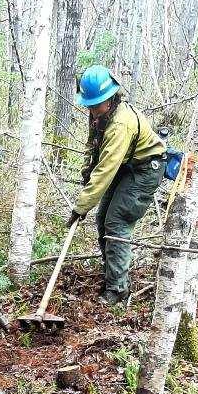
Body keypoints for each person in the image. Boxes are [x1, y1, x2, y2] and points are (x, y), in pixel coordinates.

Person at [69, 65, 166, 305]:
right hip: (126, 166)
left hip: (146, 169)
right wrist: (86, 173)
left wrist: (81, 206)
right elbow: (93, 148)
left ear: (111, 98)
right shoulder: (99, 115)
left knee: (117, 221)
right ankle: (112, 273)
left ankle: (118, 289)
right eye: (89, 105)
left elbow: (105, 170)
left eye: (96, 104)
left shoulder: (120, 124)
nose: (92, 109)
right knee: (102, 217)